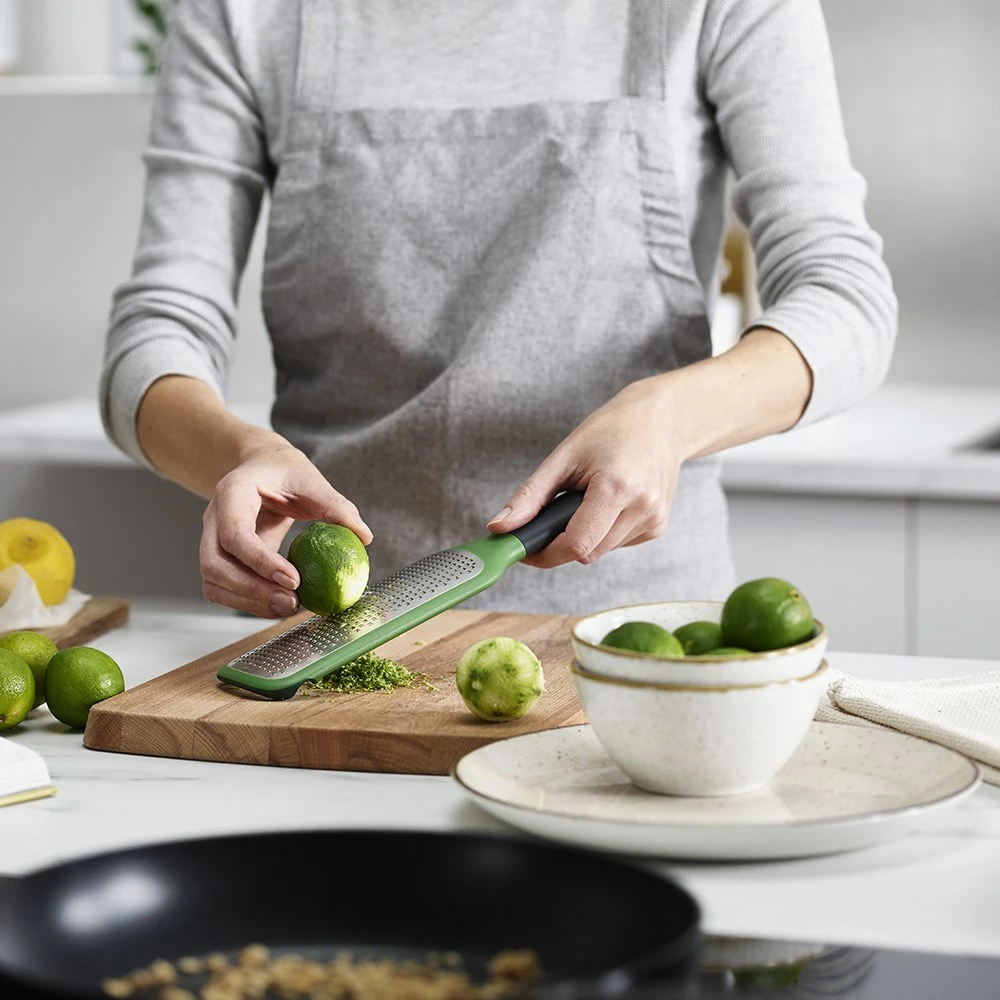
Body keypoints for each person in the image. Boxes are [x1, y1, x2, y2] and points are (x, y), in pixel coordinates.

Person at [101, 0, 896, 619]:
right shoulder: (246, 15)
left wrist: (668, 415)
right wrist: (235, 456)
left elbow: (845, 294)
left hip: (634, 634)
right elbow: (159, 329)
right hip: (335, 638)